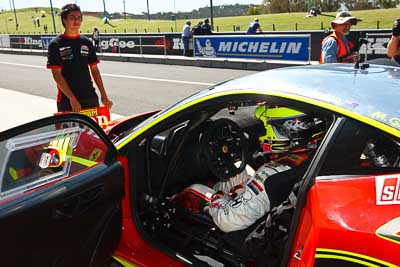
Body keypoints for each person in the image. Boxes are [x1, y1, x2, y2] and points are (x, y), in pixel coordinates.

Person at [173, 110, 325, 233]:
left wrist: (218, 198)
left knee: (195, 190)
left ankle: (170, 212)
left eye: (266, 127)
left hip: (241, 225)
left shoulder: (270, 175)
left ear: (286, 130)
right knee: (239, 171)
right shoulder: (314, 153)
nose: (262, 134)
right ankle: (220, 194)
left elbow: (228, 221)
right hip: (279, 203)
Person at [46, 3, 112, 112]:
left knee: (93, 129)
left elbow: (95, 71)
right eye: (72, 17)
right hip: (68, 101)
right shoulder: (56, 44)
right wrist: (72, 98)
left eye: (79, 18)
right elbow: (56, 74)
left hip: (90, 97)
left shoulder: (86, 42)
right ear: (64, 20)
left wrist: (104, 95)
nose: (76, 21)